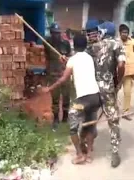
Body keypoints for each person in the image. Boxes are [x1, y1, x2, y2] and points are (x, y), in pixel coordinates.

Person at [42, 33, 101, 164]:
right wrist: (67, 60)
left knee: (73, 127)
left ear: (74, 44)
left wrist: (49, 89)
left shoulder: (73, 60)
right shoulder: (89, 58)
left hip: (83, 101)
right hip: (96, 98)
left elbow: (63, 78)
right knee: (90, 124)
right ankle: (89, 154)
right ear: (85, 45)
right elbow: (77, 62)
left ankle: (80, 154)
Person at [85, 20, 126, 168]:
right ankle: (115, 152)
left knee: (90, 115)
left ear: (103, 32)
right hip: (108, 88)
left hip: (92, 88)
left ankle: (87, 145)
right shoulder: (117, 45)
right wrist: (117, 82)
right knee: (113, 119)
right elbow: (121, 65)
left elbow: (80, 61)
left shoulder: (93, 47)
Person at [44, 22, 72, 131]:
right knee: (55, 98)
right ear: (51, 33)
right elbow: (46, 56)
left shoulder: (66, 43)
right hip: (53, 74)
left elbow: (70, 56)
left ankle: (65, 117)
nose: (56, 35)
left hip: (64, 73)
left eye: (58, 33)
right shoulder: (47, 42)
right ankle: (56, 119)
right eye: (54, 33)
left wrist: (66, 57)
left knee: (66, 97)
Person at [118, 24, 134, 119]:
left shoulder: (133, 43)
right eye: (123, 32)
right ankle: (110, 110)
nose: (125, 34)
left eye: (126, 33)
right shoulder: (116, 43)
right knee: (113, 92)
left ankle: (125, 113)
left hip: (128, 73)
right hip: (117, 73)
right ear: (120, 33)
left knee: (128, 93)